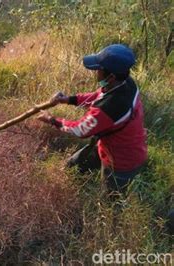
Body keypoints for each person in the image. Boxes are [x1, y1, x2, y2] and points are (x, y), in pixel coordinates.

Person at [37, 44, 148, 193]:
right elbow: (98, 96)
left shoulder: (110, 107)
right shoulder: (126, 83)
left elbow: (79, 130)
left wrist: (51, 120)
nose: (96, 72)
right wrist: (68, 99)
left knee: (110, 201)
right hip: (108, 145)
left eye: (99, 69)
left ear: (111, 76)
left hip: (122, 162)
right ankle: (62, 186)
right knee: (73, 165)